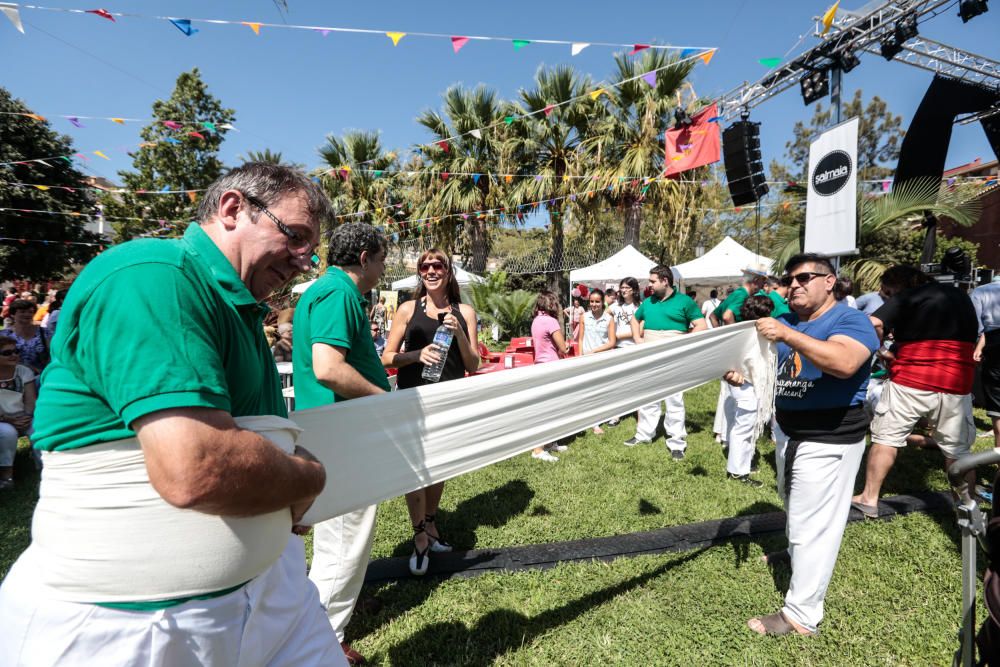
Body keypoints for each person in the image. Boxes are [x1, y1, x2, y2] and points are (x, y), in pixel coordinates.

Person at [0, 162, 343, 665]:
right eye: (295, 236)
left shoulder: (239, 308)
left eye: (311, 251)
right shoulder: (153, 275)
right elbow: (196, 468)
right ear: (232, 208)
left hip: (274, 598)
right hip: (131, 627)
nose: (303, 261)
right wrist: (307, 477)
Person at [746, 253, 878, 637]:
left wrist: (787, 334)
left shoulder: (851, 320)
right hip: (789, 430)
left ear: (830, 281)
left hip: (831, 434)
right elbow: (771, 365)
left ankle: (801, 616)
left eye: (805, 277)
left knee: (814, 524)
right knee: (795, 505)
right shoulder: (786, 320)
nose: (795, 285)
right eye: (790, 280)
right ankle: (798, 555)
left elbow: (844, 363)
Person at [292, 222, 389, 665]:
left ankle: (318, 625)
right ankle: (324, 643)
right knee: (344, 540)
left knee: (336, 538)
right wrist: (383, 399)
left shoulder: (326, 290)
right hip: (343, 431)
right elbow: (328, 368)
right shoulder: (338, 293)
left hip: (331, 427)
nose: (384, 268)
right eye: (382, 259)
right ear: (365, 256)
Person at [381, 249, 480, 576]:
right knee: (415, 469)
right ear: (420, 272)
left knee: (439, 467)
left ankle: (431, 523)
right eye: (425, 266)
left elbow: (473, 363)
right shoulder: (408, 309)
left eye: (438, 265)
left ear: (449, 271)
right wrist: (416, 356)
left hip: (447, 399)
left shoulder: (464, 310)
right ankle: (420, 535)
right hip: (412, 399)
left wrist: (461, 333)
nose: (431, 270)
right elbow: (386, 357)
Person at [851, 265, 978, 518]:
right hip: (957, 382)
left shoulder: (908, 296)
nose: (886, 297)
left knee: (886, 438)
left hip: (911, 379)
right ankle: (966, 506)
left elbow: (873, 322)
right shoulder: (960, 296)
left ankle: (869, 497)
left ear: (898, 285)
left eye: (887, 292)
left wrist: (879, 347)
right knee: (959, 452)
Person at [625, 265, 706, 458]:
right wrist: (638, 339)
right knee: (648, 396)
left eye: (653, 281)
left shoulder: (685, 301)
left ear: (665, 281)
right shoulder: (648, 302)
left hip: (674, 359)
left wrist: (683, 343)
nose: (649, 285)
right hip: (650, 355)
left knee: (674, 399)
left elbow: (701, 325)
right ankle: (644, 434)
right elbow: (635, 320)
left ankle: (677, 442)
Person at [721, 295, 775, 487]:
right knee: (743, 428)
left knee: (743, 426)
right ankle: (737, 471)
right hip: (747, 384)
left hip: (746, 384)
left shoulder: (744, 331)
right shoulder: (753, 334)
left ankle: (744, 462)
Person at [531, 291, 569, 462]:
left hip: (540, 366)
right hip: (551, 367)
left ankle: (550, 442)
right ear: (552, 305)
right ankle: (538, 449)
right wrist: (566, 345)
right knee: (547, 410)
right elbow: (563, 347)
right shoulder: (551, 321)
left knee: (550, 407)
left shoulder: (536, 320)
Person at [577, 288, 617, 435]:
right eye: (592, 301)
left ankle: (601, 418)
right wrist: (580, 356)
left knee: (601, 390)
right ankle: (592, 422)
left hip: (602, 360)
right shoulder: (584, 317)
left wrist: (594, 351)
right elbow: (580, 338)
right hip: (586, 360)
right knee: (588, 390)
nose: (594, 304)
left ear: (602, 302)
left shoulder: (609, 319)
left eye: (597, 302)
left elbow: (612, 342)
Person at [0, 336, 35, 491]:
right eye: (7, 353)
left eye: (16, 351)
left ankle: (44, 469)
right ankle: (7, 476)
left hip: (23, 415)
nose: (14, 355)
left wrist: (27, 416)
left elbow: (30, 399)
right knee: (7, 433)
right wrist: (7, 419)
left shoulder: (23, 371)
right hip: (2, 419)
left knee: (38, 428)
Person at [973, 276, 1000, 449]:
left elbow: (974, 325)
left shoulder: (980, 291)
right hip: (992, 342)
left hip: (995, 347)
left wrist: (978, 347)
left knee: (998, 408)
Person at [0, 299, 51, 376]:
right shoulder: (4, 334)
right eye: (22, 312)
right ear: (13, 314)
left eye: (30, 312)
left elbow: (53, 354)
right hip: (13, 376)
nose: (27, 314)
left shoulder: (44, 332)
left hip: (39, 376)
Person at [609, 277, 641, 349]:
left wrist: (618, 336)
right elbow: (603, 315)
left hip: (635, 345)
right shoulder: (615, 305)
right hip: (618, 346)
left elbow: (641, 331)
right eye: (622, 287)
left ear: (634, 289)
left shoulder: (640, 307)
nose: (623, 290)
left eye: (627, 287)